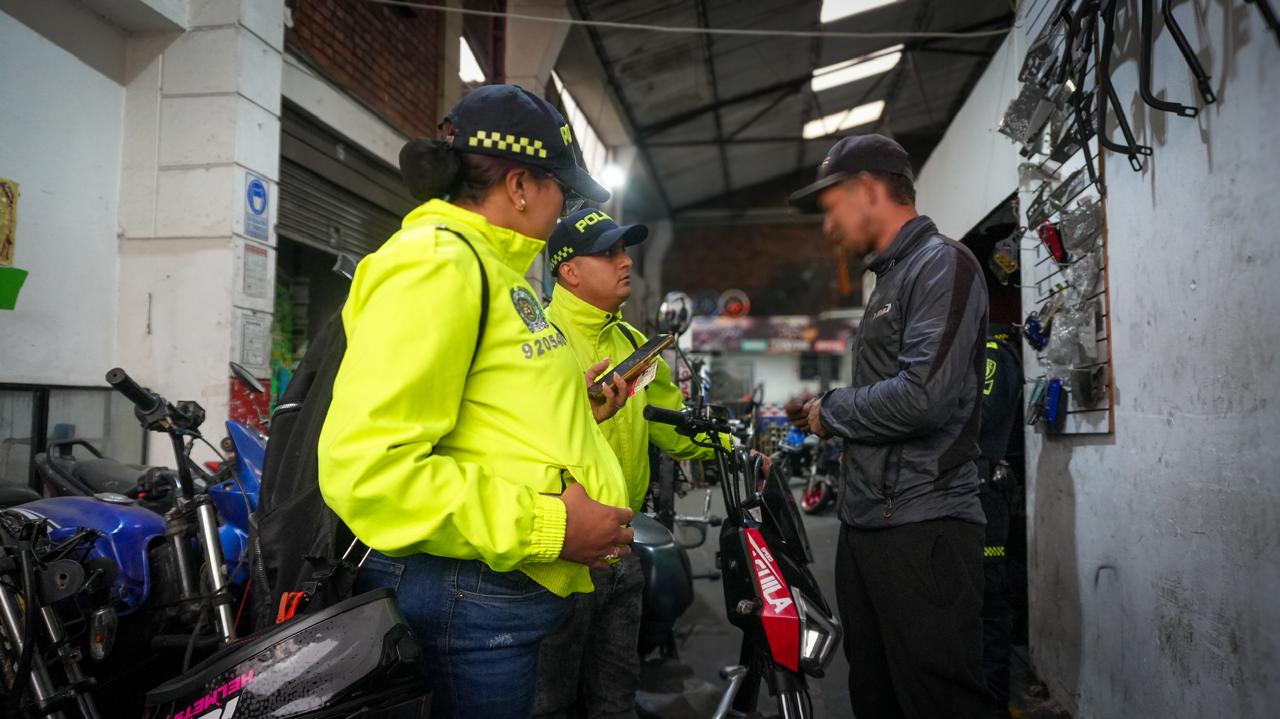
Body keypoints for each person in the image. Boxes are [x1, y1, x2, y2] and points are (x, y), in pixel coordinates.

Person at [317, 85, 636, 719]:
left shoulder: (489, 270)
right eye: (560, 191)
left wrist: (575, 417)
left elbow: (480, 412)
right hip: (470, 599)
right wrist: (552, 526)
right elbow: (371, 467)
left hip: (489, 595)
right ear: (520, 185)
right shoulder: (440, 265)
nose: (560, 210)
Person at [786, 134, 993, 718]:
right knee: (876, 695)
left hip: (924, 526)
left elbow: (922, 397)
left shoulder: (943, 265)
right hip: (870, 524)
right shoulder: (893, 278)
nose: (828, 228)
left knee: (938, 699)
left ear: (867, 190)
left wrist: (832, 410)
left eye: (831, 209)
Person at [534, 209, 716, 719]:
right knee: (549, 702)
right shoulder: (536, 343)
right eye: (609, 252)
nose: (626, 262)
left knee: (615, 699)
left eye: (626, 250)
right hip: (555, 556)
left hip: (623, 548)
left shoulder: (638, 347)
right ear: (568, 270)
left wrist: (728, 449)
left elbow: (670, 425)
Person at [977, 322, 1024, 717]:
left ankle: (993, 708)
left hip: (985, 501)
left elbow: (982, 417)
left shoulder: (991, 354)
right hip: (977, 499)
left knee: (988, 611)